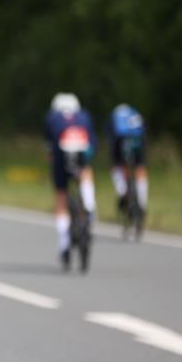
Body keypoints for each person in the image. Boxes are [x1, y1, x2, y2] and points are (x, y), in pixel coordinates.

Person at [44, 93, 96, 269]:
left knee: (61, 196)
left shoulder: (52, 118)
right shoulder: (84, 116)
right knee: (86, 171)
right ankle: (89, 206)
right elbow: (93, 142)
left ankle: (63, 243)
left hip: (61, 154)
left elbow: (50, 149)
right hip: (82, 151)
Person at [108, 103, 148, 217]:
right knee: (140, 169)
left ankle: (122, 192)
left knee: (117, 166)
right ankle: (142, 204)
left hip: (120, 145)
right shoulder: (135, 115)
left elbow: (111, 136)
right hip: (138, 145)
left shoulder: (114, 117)